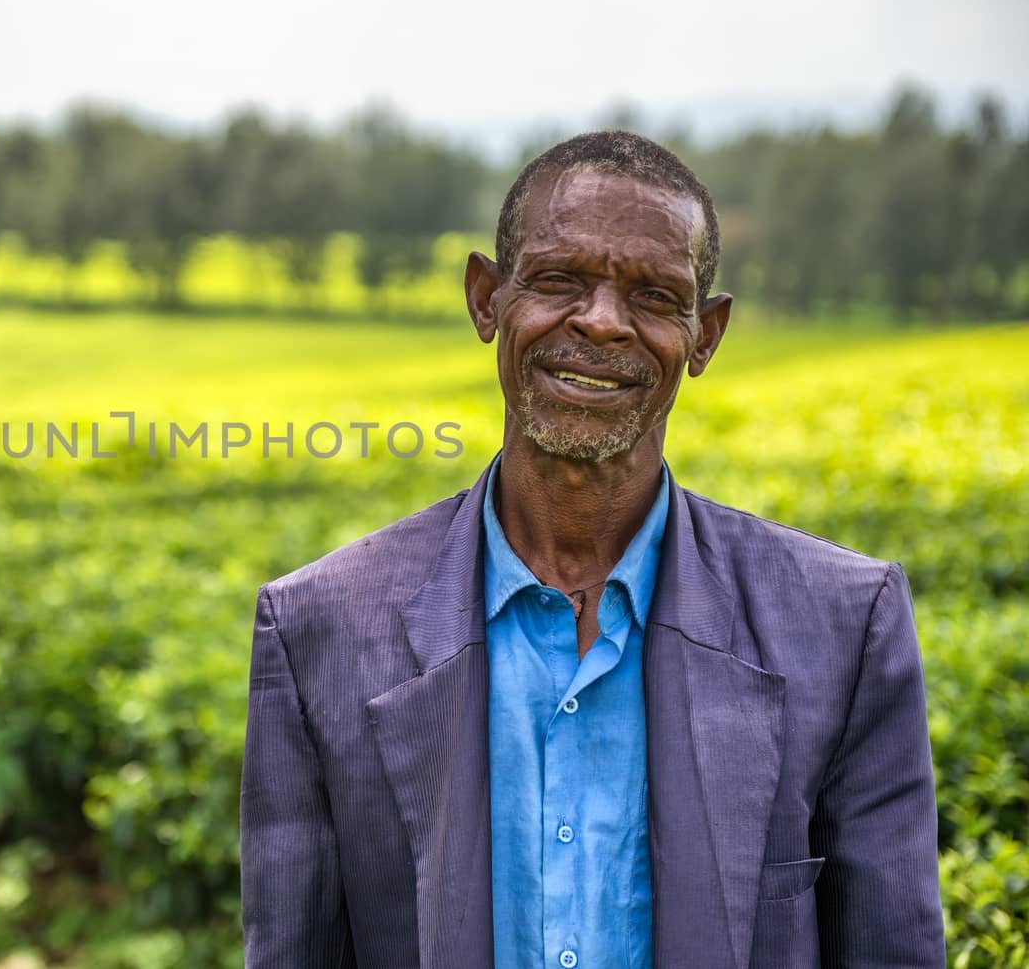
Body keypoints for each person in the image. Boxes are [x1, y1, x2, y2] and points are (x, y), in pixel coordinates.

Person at [238, 131, 945, 969]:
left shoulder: (843, 623)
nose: (602, 322)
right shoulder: (317, 627)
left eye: (653, 296)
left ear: (705, 334)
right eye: (559, 280)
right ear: (486, 300)